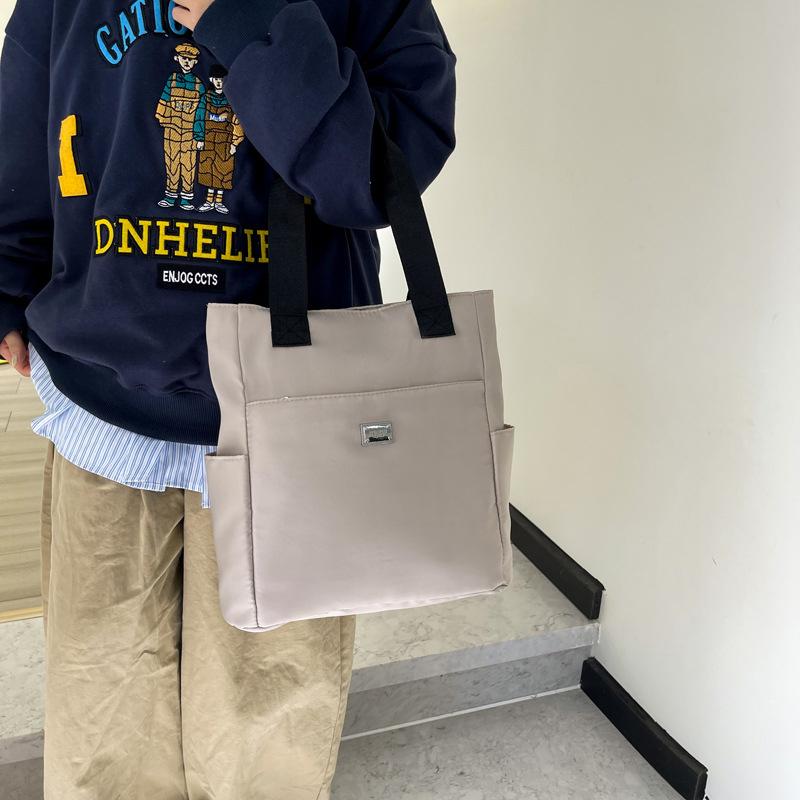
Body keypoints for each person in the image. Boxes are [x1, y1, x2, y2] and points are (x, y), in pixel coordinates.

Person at [0, 0, 456, 797]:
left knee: (266, 729)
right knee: (104, 718)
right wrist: (7, 278)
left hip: (294, 423)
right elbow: (26, 135)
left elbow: (389, 172)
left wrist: (250, 23)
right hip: (104, 410)